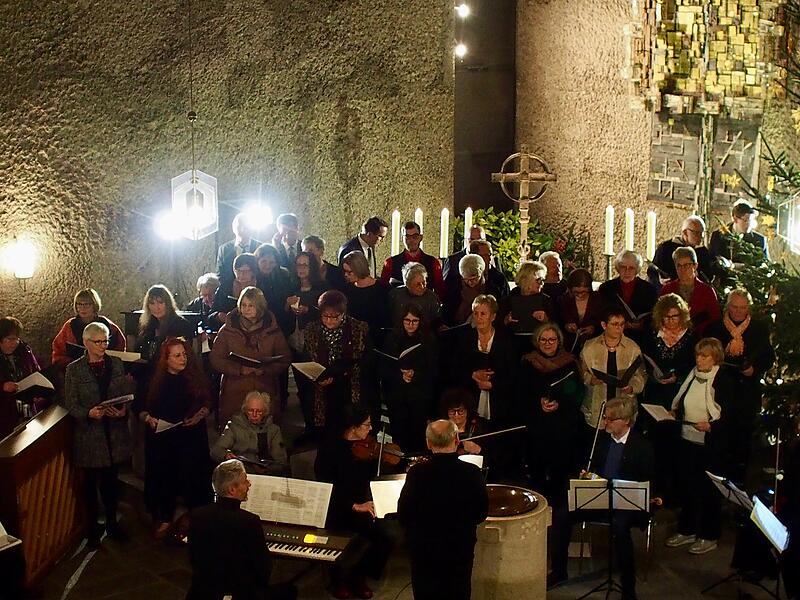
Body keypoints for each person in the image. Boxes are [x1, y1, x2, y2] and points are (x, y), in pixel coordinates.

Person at [549, 398, 655, 600]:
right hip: (599, 498)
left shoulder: (642, 447)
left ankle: (628, 587)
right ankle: (558, 571)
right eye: (605, 418)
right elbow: (593, 469)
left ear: (625, 421)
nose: (605, 423)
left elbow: (648, 481)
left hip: (626, 503)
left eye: (610, 419)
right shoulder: (601, 441)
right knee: (562, 515)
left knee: (621, 528)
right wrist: (587, 476)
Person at [397, 419, 489, 600]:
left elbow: (404, 515)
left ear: (428, 443)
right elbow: (481, 513)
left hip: (424, 550)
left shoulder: (417, 473)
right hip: (459, 548)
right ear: (456, 439)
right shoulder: (472, 472)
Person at [187, 459, 297, 600]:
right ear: (232, 489)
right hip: (241, 594)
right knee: (289, 590)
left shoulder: (197, 515)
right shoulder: (249, 521)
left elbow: (194, 559)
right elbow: (263, 570)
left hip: (203, 592)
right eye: (245, 481)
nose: (249, 484)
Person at [64, 322, 132, 547]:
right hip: (90, 436)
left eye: (106, 341)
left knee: (111, 484)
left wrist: (122, 411)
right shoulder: (75, 369)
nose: (103, 345)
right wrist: (88, 413)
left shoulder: (116, 364)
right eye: (99, 341)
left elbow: (124, 394)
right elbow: (71, 404)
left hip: (112, 434)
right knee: (90, 486)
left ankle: (112, 524)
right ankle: (92, 529)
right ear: (86, 343)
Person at [666, 338, 737, 555]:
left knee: (708, 492)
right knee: (687, 486)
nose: (699, 359)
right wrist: (673, 411)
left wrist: (712, 426)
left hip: (710, 445)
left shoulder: (723, 379)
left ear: (715, 358)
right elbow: (683, 400)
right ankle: (687, 529)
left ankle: (709, 535)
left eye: (704, 355)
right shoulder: (692, 375)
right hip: (688, 440)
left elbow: (732, 415)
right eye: (698, 354)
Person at [137, 337, 212, 540]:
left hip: (191, 436)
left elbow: (207, 402)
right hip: (163, 438)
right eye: (177, 355)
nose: (183, 359)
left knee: (193, 477)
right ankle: (165, 517)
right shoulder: (154, 380)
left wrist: (197, 416)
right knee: (164, 476)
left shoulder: (195, 377)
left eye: (184, 354)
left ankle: (196, 518)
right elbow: (141, 408)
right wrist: (149, 419)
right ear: (166, 359)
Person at [314, 406, 392, 600]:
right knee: (344, 540)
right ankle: (338, 581)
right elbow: (327, 488)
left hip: (361, 506)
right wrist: (354, 506)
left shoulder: (365, 449)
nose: (371, 429)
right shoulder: (329, 451)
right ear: (353, 427)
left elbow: (377, 472)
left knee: (385, 539)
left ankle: (358, 577)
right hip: (336, 509)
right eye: (366, 425)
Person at [706, 289, 774, 481]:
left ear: (748, 308)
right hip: (720, 392)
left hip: (747, 393)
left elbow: (768, 357)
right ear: (728, 306)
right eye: (734, 307)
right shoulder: (715, 328)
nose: (737, 312)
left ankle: (738, 484)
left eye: (742, 308)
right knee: (719, 440)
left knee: (742, 441)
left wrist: (755, 369)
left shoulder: (759, 329)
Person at [517, 323, 584, 507]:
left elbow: (578, 393)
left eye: (552, 339)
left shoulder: (569, 362)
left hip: (562, 428)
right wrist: (538, 403)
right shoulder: (528, 362)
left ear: (559, 341)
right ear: (537, 342)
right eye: (543, 339)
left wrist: (559, 404)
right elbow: (521, 393)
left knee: (560, 476)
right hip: (537, 428)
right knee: (537, 476)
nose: (548, 343)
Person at [640, 293, 696, 503]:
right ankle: (656, 491)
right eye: (666, 317)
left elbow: (692, 365)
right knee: (656, 444)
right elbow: (646, 360)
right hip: (656, 394)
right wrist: (656, 377)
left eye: (675, 317)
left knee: (677, 446)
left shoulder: (690, 337)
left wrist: (677, 376)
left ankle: (675, 495)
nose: (671, 322)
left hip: (679, 396)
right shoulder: (652, 334)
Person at [209, 286, 291, 426]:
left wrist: (266, 369)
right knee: (235, 431)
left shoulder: (273, 331)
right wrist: (238, 369)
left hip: (264, 387)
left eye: (251, 305)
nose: (246, 309)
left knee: (265, 429)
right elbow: (216, 358)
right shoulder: (228, 330)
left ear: (260, 306)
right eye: (243, 305)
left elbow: (284, 358)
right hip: (235, 388)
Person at [301, 290, 371, 437]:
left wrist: (346, 370)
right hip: (322, 391)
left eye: (335, 317)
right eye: (325, 316)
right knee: (327, 433)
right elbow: (306, 359)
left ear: (343, 314)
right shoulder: (312, 330)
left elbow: (365, 360)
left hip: (349, 388)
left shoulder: (358, 329)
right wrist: (318, 379)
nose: (329, 321)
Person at [580, 307, 646, 443]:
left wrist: (632, 387)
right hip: (598, 404)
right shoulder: (590, 347)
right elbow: (582, 372)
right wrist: (591, 379)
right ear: (604, 325)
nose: (619, 328)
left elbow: (640, 376)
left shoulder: (633, 348)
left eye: (622, 324)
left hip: (622, 406)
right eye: (615, 324)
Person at [379, 303, 438, 453]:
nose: (410, 325)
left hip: (419, 397)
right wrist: (400, 376)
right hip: (397, 397)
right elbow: (384, 367)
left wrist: (415, 375)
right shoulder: (392, 338)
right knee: (399, 436)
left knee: (418, 436)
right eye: (407, 320)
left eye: (414, 321)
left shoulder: (428, 339)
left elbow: (433, 370)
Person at [453, 295, 517, 429]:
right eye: (475, 313)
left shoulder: (506, 340)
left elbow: (513, 374)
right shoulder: (464, 338)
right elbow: (455, 369)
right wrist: (473, 375)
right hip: (471, 400)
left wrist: (492, 384)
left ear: (493, 317)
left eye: (483, 313)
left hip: (500, 403)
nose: (479, 317)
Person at [211, 391, 288, 475]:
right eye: (251, 410)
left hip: (264, 473)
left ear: (265, 412)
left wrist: (267, 469)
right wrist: (226, 455)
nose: (254, 415)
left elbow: (281, 461)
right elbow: (216, 451)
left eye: (259, 411)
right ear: (245, 410)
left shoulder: (273, 430)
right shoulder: (234, 426)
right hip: (238, 472)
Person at [51, 288, 126, 369]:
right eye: (79, 304)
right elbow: (58, 351)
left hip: (104, 368)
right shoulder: (70, 326)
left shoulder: (107, 324)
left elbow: (120, 348)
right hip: (77, 370)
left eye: (87, 304)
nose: (82, 308)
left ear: (94, 305)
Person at [598, 250, 658, 346]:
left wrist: (642, 324)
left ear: (637, 269)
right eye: (623, 267)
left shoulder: (649, 289)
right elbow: (602, 313)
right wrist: (623, 324)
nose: (627, 271)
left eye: (631, 268)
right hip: (613, 337)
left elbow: (654, 315)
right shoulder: (607, 288)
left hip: (641, 338)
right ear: (618, 268)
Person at [659, 246, 721, 336]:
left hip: (700, 338)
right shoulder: (667, 289)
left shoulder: (707, 291)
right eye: (679, 265)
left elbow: (715, 319)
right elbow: (659, 316)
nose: (682, 269)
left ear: (695, 266)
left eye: (686, 265)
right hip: (672, 337)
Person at [0, 317, 45, 438]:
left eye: (16, 339)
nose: (14, 343)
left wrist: (38, 389)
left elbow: (36, 370)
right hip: (5, 413)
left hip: (27, 406)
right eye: (9, 339)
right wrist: (2, 386)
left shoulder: (24, 351)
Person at [380, 220, 444, 297]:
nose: (411, 241)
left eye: (415, 237)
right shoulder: (390, 263)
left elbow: (440, 292)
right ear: (402, 238)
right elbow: (383, 290)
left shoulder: (433, 263)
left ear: (421, 238)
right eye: (407, 237)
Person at [341, 250, 390, 347]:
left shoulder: (382, 289)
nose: (346, 275)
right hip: (353, 340)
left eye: (349, 272)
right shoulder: (347, 290)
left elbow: (386, 318)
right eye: (344, 271)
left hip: (377, 339)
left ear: (359, 269)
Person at [441, 254, 504, 327]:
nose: (471, 282)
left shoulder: (492, 290)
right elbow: (446, 312)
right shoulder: (453, 287)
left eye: (474, 279)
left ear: (481, 273)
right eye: (467, 279)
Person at [649, 215, 713, 285]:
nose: (700, 237)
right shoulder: (666, 248)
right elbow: (653, 270)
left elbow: (708, 276)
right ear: (685, 233)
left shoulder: (702, 252)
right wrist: (659, 279)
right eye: (696, 233)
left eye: (702, 233)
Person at [499, 260, 554, 335]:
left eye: (543, 280)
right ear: (527, 280)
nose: (542, 283)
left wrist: (546, 319)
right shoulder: (507, 301)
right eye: (539, 280)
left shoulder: (547, 301)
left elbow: (556, 327)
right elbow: (497, 326)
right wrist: (506, 320)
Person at [557, 268, 603, 355]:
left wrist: (594, 328)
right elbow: (558, 321)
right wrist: (567, 326)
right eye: (576, 292)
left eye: (584, 292)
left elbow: (604, 320)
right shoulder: (563, 300)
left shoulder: (598, 299)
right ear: (570, 289)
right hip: (569, 346)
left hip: (594, 344)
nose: (580, 295)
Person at [709, 199, 770, 263]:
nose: (749, 224)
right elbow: (711, 261)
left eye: (751, 221)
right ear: (735, 219)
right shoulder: (718, 236)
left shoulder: (760, 240)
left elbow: (766, 266)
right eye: (746, 221)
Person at [254, 243, 293, 335]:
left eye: (272, 262)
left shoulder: (284, 276)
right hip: (257, 325)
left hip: (281, 323)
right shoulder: (252, 277)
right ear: (257, 260)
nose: (268, 266)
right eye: (264, 261)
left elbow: (287, 299)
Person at [212, 253, 261, 326]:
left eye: (246, 271)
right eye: (238, 271)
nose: (241, 275)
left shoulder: (261, 286)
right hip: (229, 328)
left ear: (253, 271)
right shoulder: (226, 287)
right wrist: (217, 316)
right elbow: (211, 313)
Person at [388, 262, 441, 327]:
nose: (422, 287)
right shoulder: (395, 295)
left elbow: (436, 321)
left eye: (424, 282)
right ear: (408, 284)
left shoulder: (431, 297)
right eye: (417, 284)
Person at [216, 212, 261, 288]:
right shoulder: (224, 249)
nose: (243, 228)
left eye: (247, 225)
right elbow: (220, 274)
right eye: (240, 225)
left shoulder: (260, 247)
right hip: (231, 294)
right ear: (234, 228)